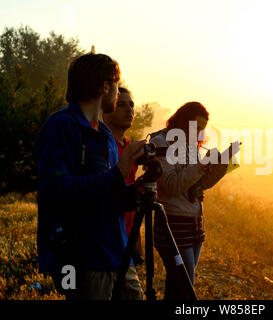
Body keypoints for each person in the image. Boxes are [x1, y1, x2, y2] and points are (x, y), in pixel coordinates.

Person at [36, 52, 146, 300]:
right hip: (83, 260)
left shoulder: (106, 135)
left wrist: (136, 192)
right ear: (104, 86)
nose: (119, 94)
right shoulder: (62, 127)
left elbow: (108, 194)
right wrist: (119, 172)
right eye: (116, 87)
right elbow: (55, 191)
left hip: (118, 255)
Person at [149, 101, 235, 299]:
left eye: (202, 129)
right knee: (186, 287)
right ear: (182, 121)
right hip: (172, 223)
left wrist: (222, 162)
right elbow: (171, 184)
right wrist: (201, 166)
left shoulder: (192, 146)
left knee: (177, 286)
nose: (198, 133)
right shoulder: (161, 142)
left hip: (194, 223)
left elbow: (201, 184)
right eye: (195, 127)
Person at [102, 86, 144, 265]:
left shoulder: (130, 147)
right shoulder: (101, 146)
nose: (129, 110)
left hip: (126, 235)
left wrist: (136, 242)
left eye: (132, 105)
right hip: (106, 239)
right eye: (121, 105)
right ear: (108, 109)